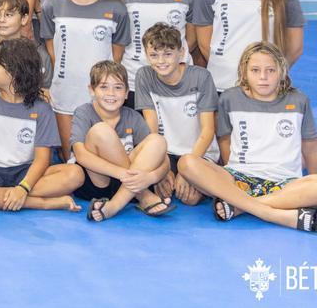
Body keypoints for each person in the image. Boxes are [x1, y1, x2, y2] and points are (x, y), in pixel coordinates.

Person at [178, 42, 317, 232]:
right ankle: (277, 215)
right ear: (244, 72)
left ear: (282, 71)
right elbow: (225, 142)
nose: (263, 77)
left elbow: (310, 147)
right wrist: (230, 175)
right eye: (255, 70)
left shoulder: (299, 100)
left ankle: (239, 208)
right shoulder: (229, 98)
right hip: (239, 179)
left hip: (285, 183)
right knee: (187, 162)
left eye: (270, 70)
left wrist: (311, 184)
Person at [0, 37, 84, 211]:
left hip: (27, 171)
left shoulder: (42, 109)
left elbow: (42, 160)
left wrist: (23, 187)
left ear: (14, 71)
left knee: (75, 175)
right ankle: (42, 203)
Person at [42, 0, 130, 158]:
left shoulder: (116, 8)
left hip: (102, 94)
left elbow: (116, 54)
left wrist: (103, 84)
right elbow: (52, 49)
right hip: (65, 91)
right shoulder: (53, 5)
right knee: (69, 157)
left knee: (102, 156)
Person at [71, 61, 173, 221]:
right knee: (101, 130)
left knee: (158, 140)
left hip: (127, 186)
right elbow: (81, 155)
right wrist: (125, 175)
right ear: (91, 90)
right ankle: (143, 195)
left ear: (126, 93)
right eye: (104, 87)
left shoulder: (133, 117)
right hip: (98, 183)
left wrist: (151, 178)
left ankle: (113, 206)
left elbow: (163, 159)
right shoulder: (83, 112)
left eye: (118, 87)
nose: (111, 93)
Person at [135, 23, 218, 206]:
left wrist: (185, 171)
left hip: (198, 152)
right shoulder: (144, 76)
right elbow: (151, 129)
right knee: (158, 185)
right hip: (167, 152)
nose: (161, 61)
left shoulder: (202, 77)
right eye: (154, 55)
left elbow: (207, 131)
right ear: (146, 55)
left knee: (191, 199)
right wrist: (162, 167)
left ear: (181, 53)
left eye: (168, 54)